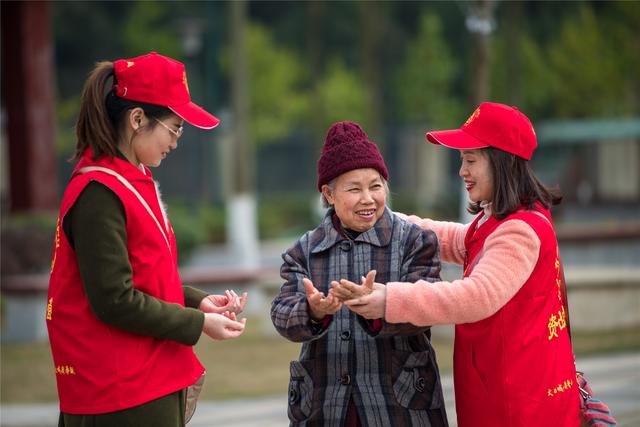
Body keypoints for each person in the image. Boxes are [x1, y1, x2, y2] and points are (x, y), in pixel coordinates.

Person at [335, 103, 581, 427]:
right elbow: (456, 240)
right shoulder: (503, 221)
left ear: (501, 161)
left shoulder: (520, 230)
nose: (462, 171)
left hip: (521, 404)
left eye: (470, 160)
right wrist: (391, 222)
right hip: (509, 391)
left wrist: (390, 300)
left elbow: (476, 296)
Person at [46, 52, 248, 427]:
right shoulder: (99, 191)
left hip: (146, 378)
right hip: (119, 392)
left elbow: (144, 276)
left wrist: (198, 302)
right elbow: (114, 299)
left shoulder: (131, 179)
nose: (175, 141)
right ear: (137, 118)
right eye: (174, 128)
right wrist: (196, 323)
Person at [271, 121, 448, 427]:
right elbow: (281, 314)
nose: (368, 198)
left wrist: (383, 304)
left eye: (376, 186)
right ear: (328, 194)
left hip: (401, 406)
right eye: (354, 188)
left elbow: (427, 306)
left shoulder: (415, 242)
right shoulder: (305, 250)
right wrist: (312, 311)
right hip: (325, 407)